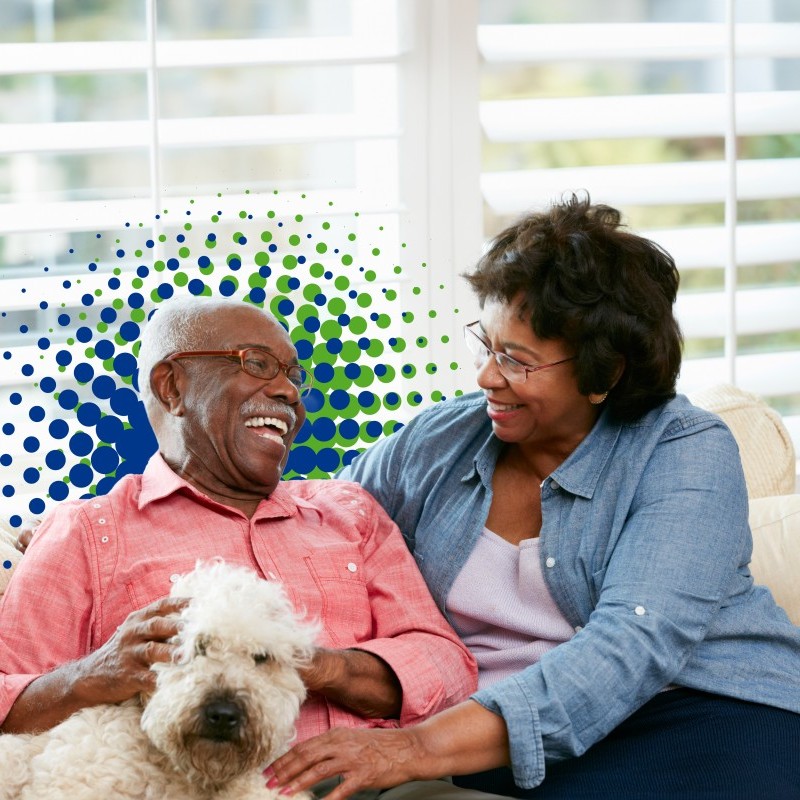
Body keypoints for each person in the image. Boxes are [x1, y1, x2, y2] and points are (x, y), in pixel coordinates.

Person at [268, 195, 800, 800]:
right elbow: (312, 528)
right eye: (485, 344)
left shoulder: (683, 450)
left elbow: (632, 646)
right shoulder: (440, 440)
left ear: (606, 373)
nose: (486, 377)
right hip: (495, 741)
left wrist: (415, 748)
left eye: (516, 360)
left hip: (697, 714)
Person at [0, 297, 478, 743]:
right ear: (172, 387)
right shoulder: (87, 532)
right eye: (257, 364)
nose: (289, 391)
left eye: (293, 374)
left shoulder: (347, 511)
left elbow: (448, 665)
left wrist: (308, 663)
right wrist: (90, 676)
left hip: (378, 782)